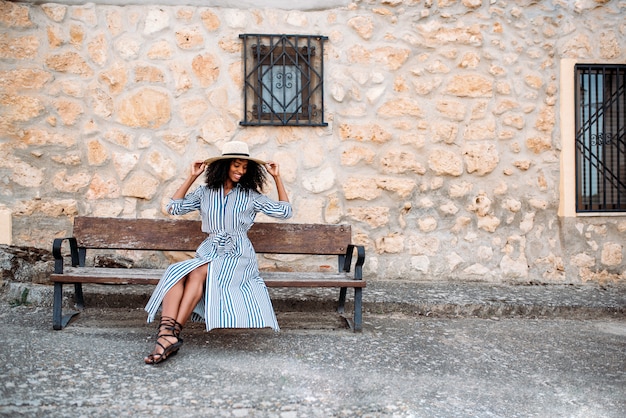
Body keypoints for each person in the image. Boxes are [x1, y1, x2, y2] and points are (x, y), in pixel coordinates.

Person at [144, 140, 292, 365]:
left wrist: (277, 177)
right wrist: (192, 176)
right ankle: (167, 335)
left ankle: (169, 336)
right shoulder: (205, 192)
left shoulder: (250, 195)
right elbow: (174, 207)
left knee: (198, 272)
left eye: (245, 167)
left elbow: (284, 212)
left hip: (237, 254)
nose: (241, 171)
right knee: (177, 272)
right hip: (210, 249)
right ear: (224, 166)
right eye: (236, 166)